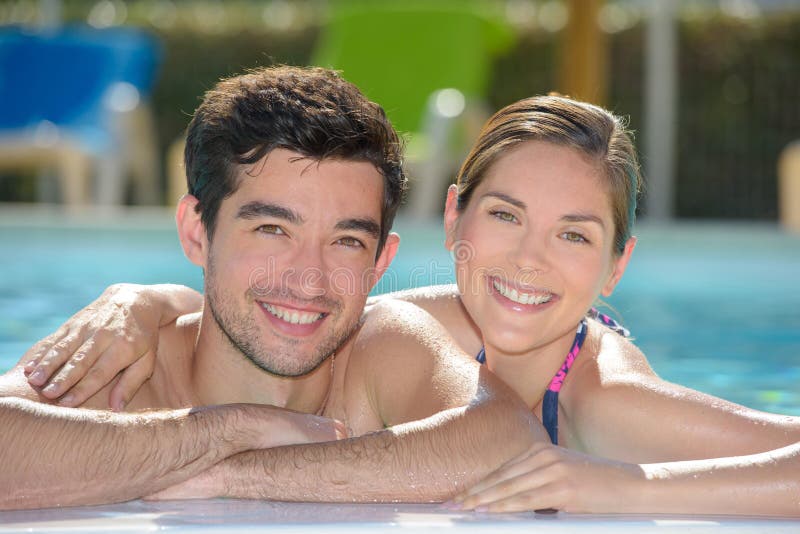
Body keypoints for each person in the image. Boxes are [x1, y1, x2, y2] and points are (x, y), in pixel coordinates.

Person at [21, 95, 800, 516]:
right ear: (455, 220)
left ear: (615, 266)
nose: (529, 259)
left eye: (574, 235)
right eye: (506, 216)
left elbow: (501, 432)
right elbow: (269, 305)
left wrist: (631, 488)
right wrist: (145, 300)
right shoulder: (408, 317)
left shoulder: (602, 391)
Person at [0, 66, 541, 511]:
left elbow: (513, 440)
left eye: (347, 241)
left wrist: (243, 473)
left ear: (381, 262)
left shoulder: (380, 350)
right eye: (273, 230)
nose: (309, 279)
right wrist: (233, 428)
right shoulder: (128, 367)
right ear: (197, 232)